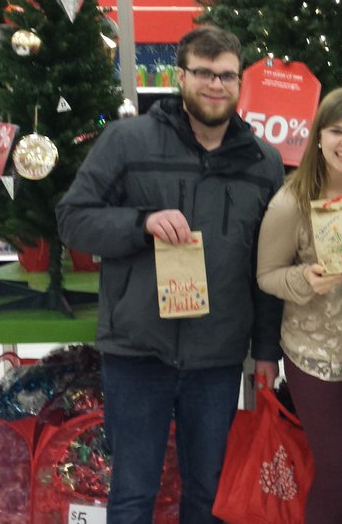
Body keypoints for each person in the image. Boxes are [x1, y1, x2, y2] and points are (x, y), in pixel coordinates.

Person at [56, 25, 285, 522]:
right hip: (139, 351)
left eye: (227, 75)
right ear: (181, 77)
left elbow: (266, 266)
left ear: (240, 81)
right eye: (203, 73)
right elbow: (73, 219)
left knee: (209, 496)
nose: (216, 85)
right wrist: (140, 224)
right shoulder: (127, 141)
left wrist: (266, 350)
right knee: (133, 494)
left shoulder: (263, 162)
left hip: (217, 358)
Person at [255, 88, 342, 524]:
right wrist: (303, 279)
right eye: (337, 131)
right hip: (317, 356)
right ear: (318, 136)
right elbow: (265, 275)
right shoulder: (289, 203)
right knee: (337, 471)